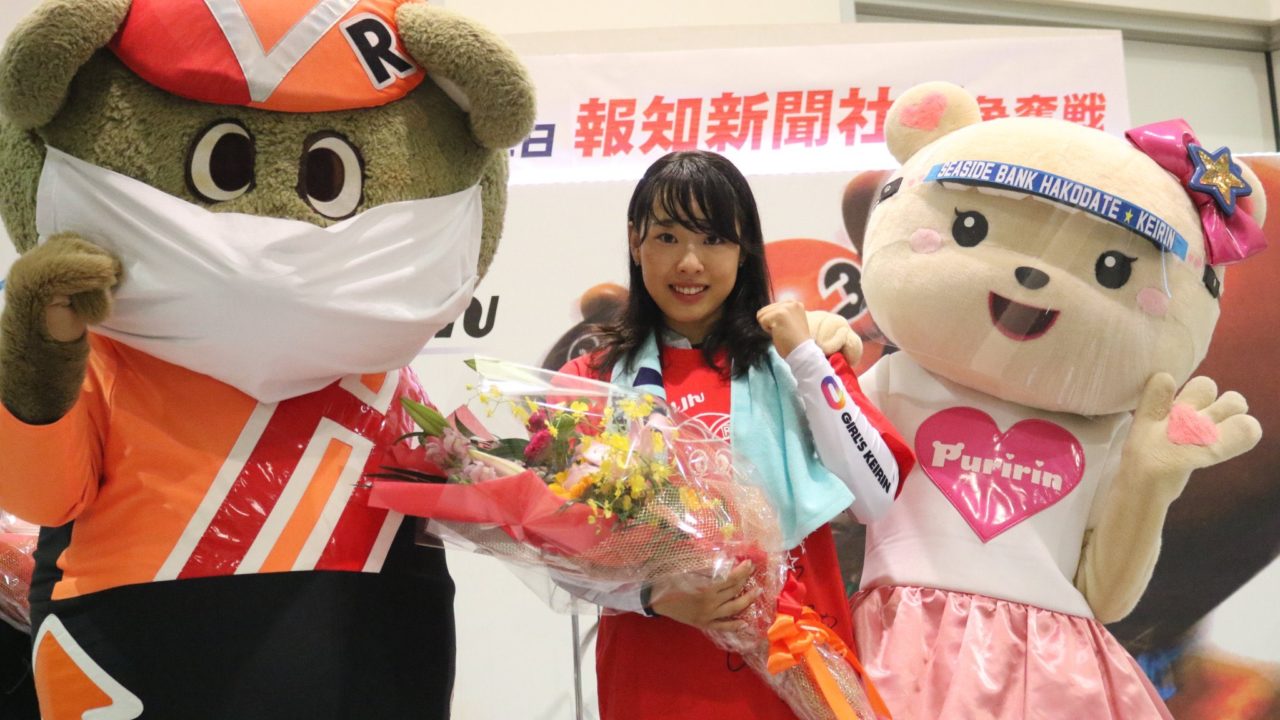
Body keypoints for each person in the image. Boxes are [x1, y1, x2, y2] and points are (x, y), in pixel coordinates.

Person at [559, 150, 914, 719]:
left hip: (798, 663)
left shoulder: (798, 357)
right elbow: (560, 545)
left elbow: (875, 495)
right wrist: (653, 595)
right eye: (668, 237)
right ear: (635, 242)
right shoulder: (592, 379)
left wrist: (808, 362)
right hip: (656, 675)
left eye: (714, 240)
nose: (690, 263)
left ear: (744, 246)